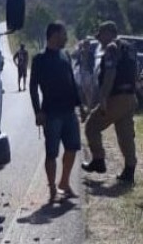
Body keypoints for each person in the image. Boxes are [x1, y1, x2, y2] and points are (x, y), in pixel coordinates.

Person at [29, 23, 85, 202]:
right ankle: (52, 187)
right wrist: (38, 111)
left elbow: (72, 82)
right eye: (63, 35)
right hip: (51, 113)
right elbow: (32, 87)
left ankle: (64, 182)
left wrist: (80, 105)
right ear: (53, 35)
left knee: (72, 148)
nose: (66, 38)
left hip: (69, 112)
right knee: (51, 152)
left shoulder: (65, 55)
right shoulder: (39, 59)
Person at [81, 21, 138, 183]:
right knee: (125, 135)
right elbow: (135, 72)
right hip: (130, 97)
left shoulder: (112, 48)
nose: (99, 39)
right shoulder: (130, 47)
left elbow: (110, 75)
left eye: (101, 35)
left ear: (109, 33)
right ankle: (129, 170)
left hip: (116, 97)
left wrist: (103, 98)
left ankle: (98, 160)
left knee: (91, 126)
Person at [75, 38, 96, 108]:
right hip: (83, 73)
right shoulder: (80, 53)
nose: (86, 46)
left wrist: (88, 65)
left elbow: (93, 64)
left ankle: (90, 106)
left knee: (90, 90)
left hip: (89, 73)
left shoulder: (91, 54)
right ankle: (88, 106)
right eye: (85, 45)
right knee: (84, 90)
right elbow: (78, 62)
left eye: (87, 45)